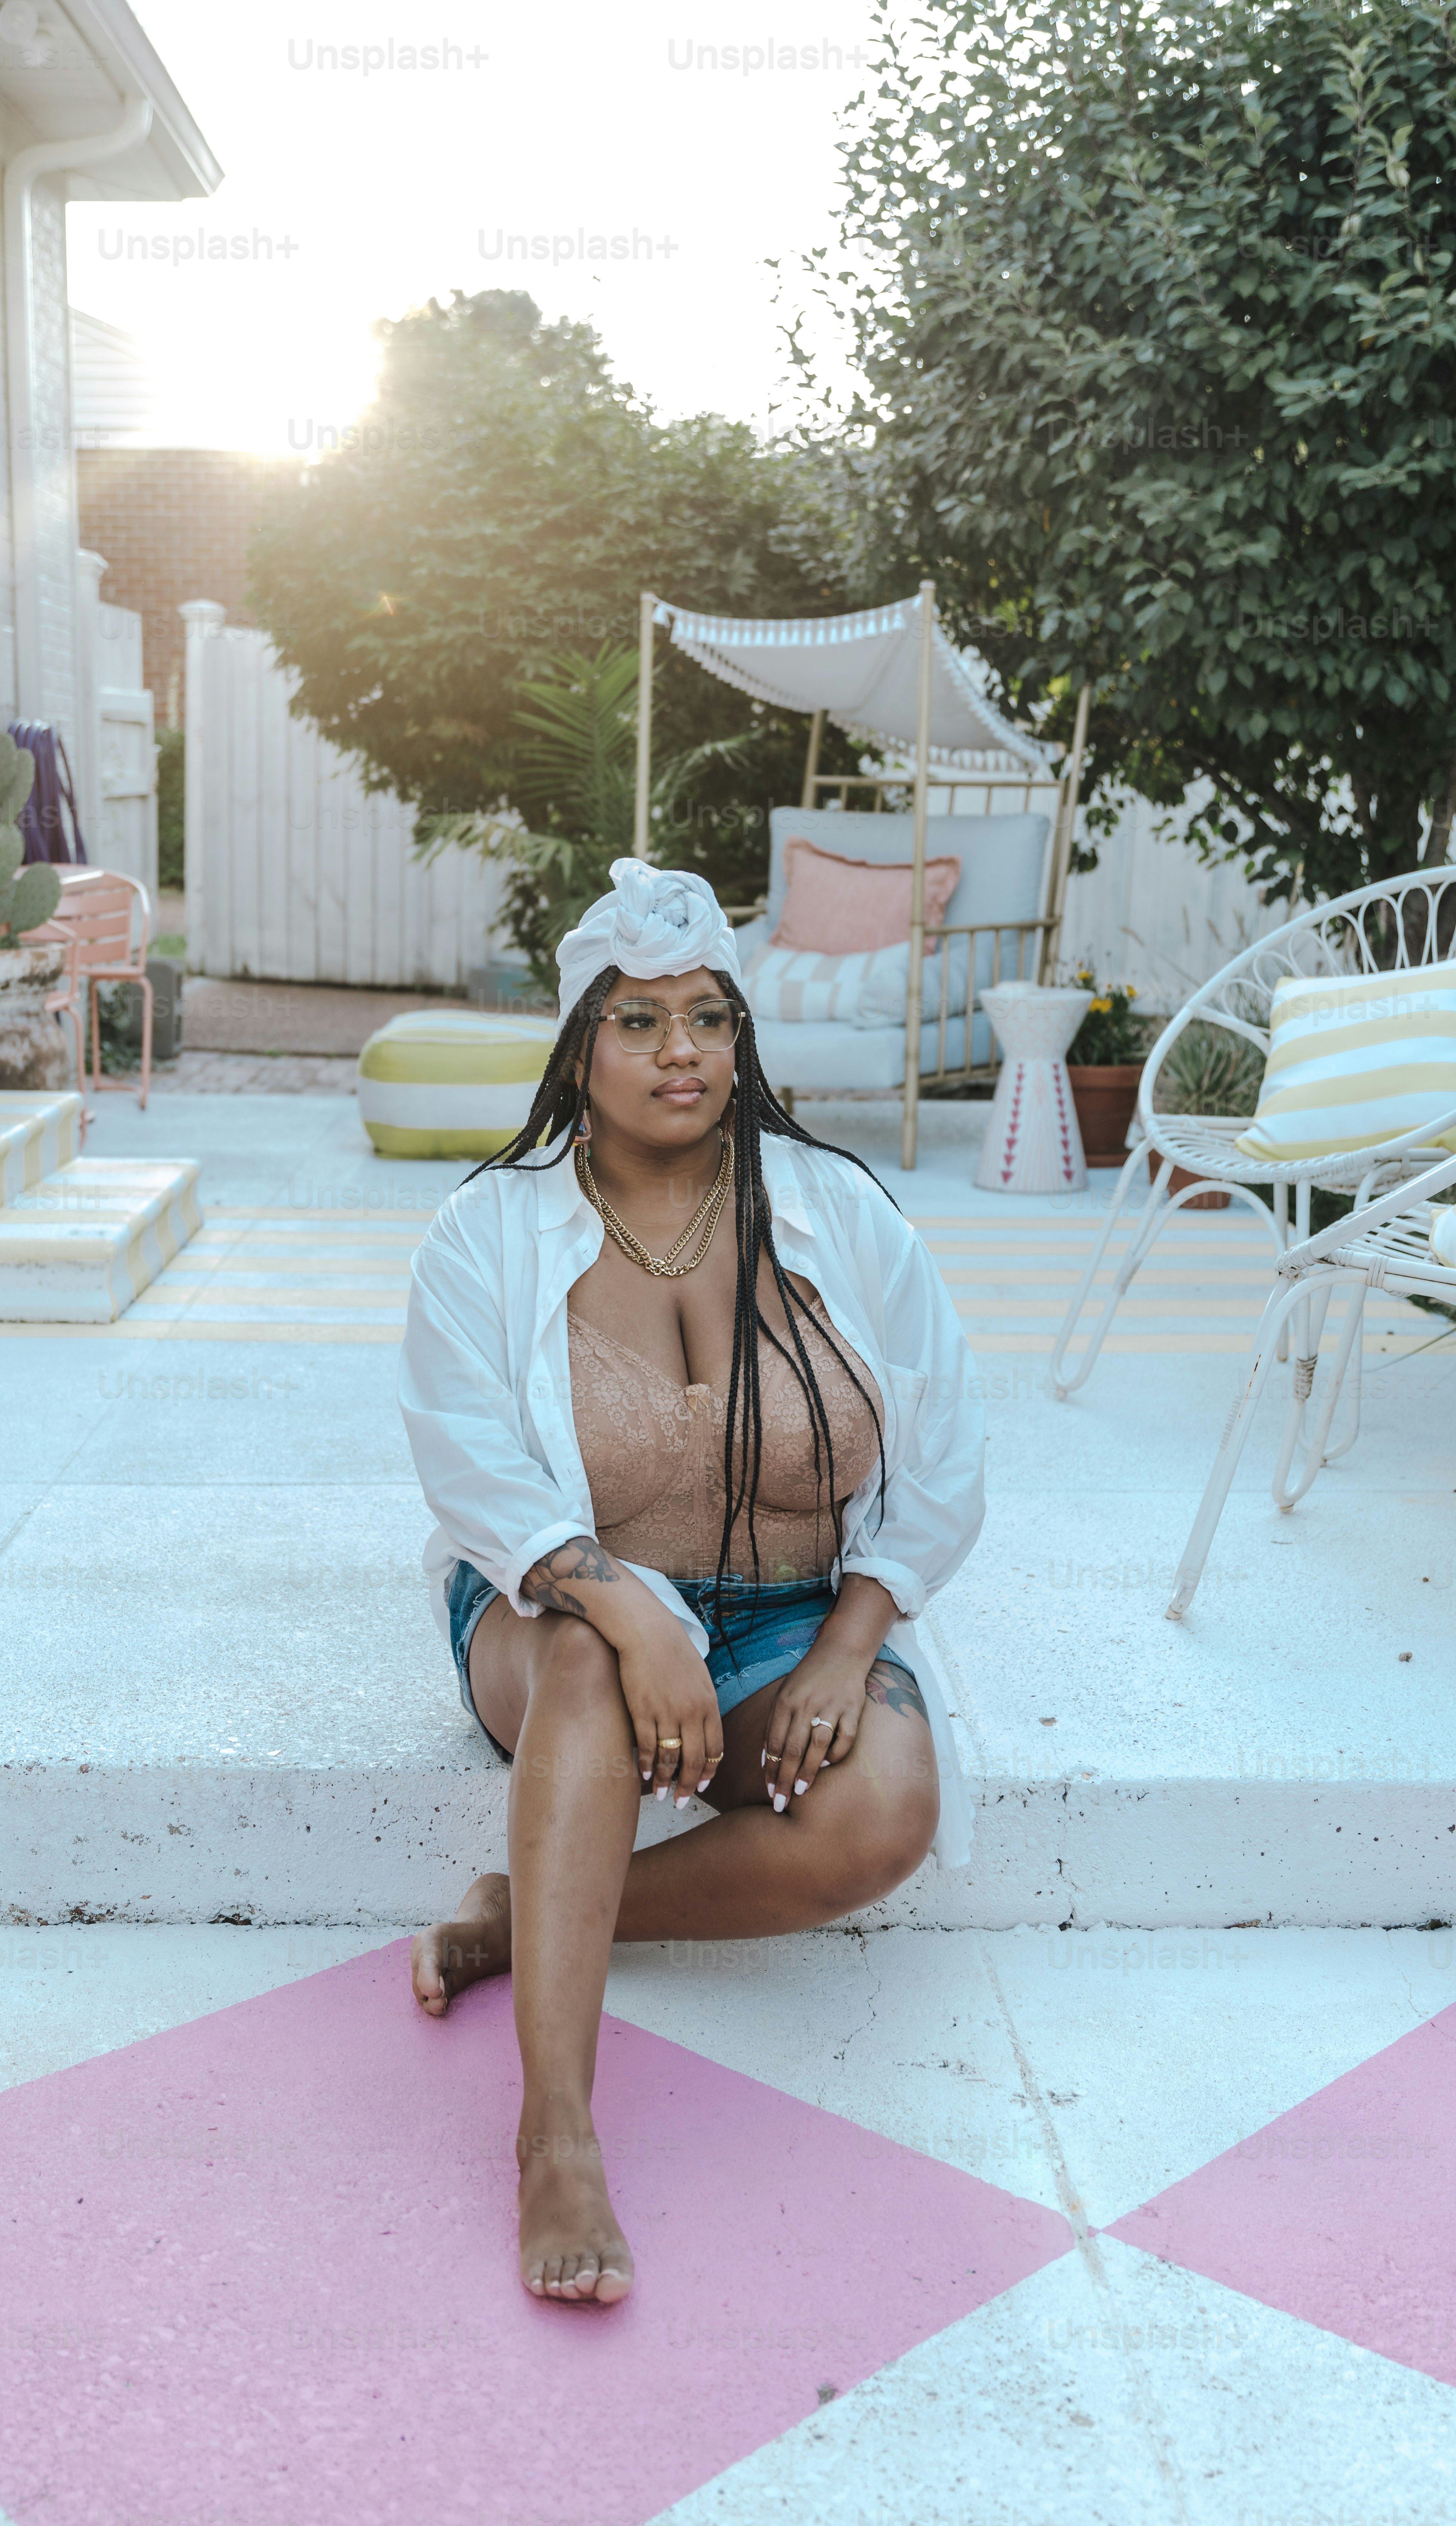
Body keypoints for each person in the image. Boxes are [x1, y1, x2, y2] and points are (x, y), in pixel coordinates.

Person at [399, 859, 984, 2306]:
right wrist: (624, 1611)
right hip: (556, 1619)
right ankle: (556, 2135)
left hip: (790, 1614)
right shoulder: (491, 1231)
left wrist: (852, 1643)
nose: (682, 1053)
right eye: (641, 1021)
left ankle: (521, 1910)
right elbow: (473, 1470)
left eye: (710, 1019)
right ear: (579, 1044)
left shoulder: (836, 1211)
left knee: (884, 1810)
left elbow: (951, 1447)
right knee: (601, 1653)